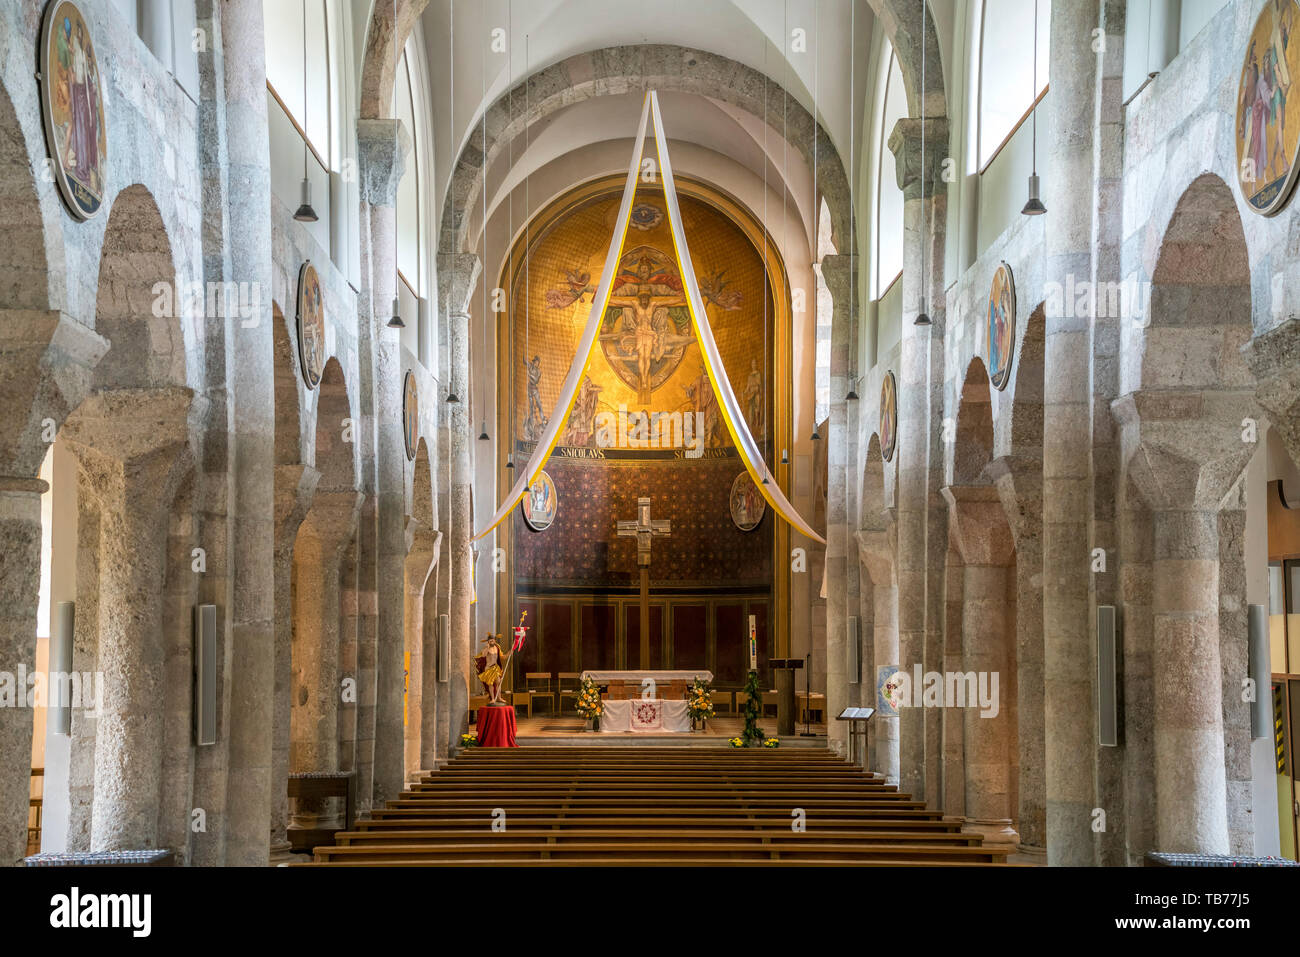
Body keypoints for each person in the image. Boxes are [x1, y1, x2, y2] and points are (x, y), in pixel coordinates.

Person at [474, 635, 507, 704]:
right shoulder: (487, 648)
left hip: (495, 668)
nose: (492, 641)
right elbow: (483, 655)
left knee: (498, 682)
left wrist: (509, 653)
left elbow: (502, 657)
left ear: (495, 640)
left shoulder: (497, 648)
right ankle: (492, 699)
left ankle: (499, 697)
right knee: (490, 684)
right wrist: (487, 647)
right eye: (490, 640)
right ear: (488, 641)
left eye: (493, 640)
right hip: (489, 668)